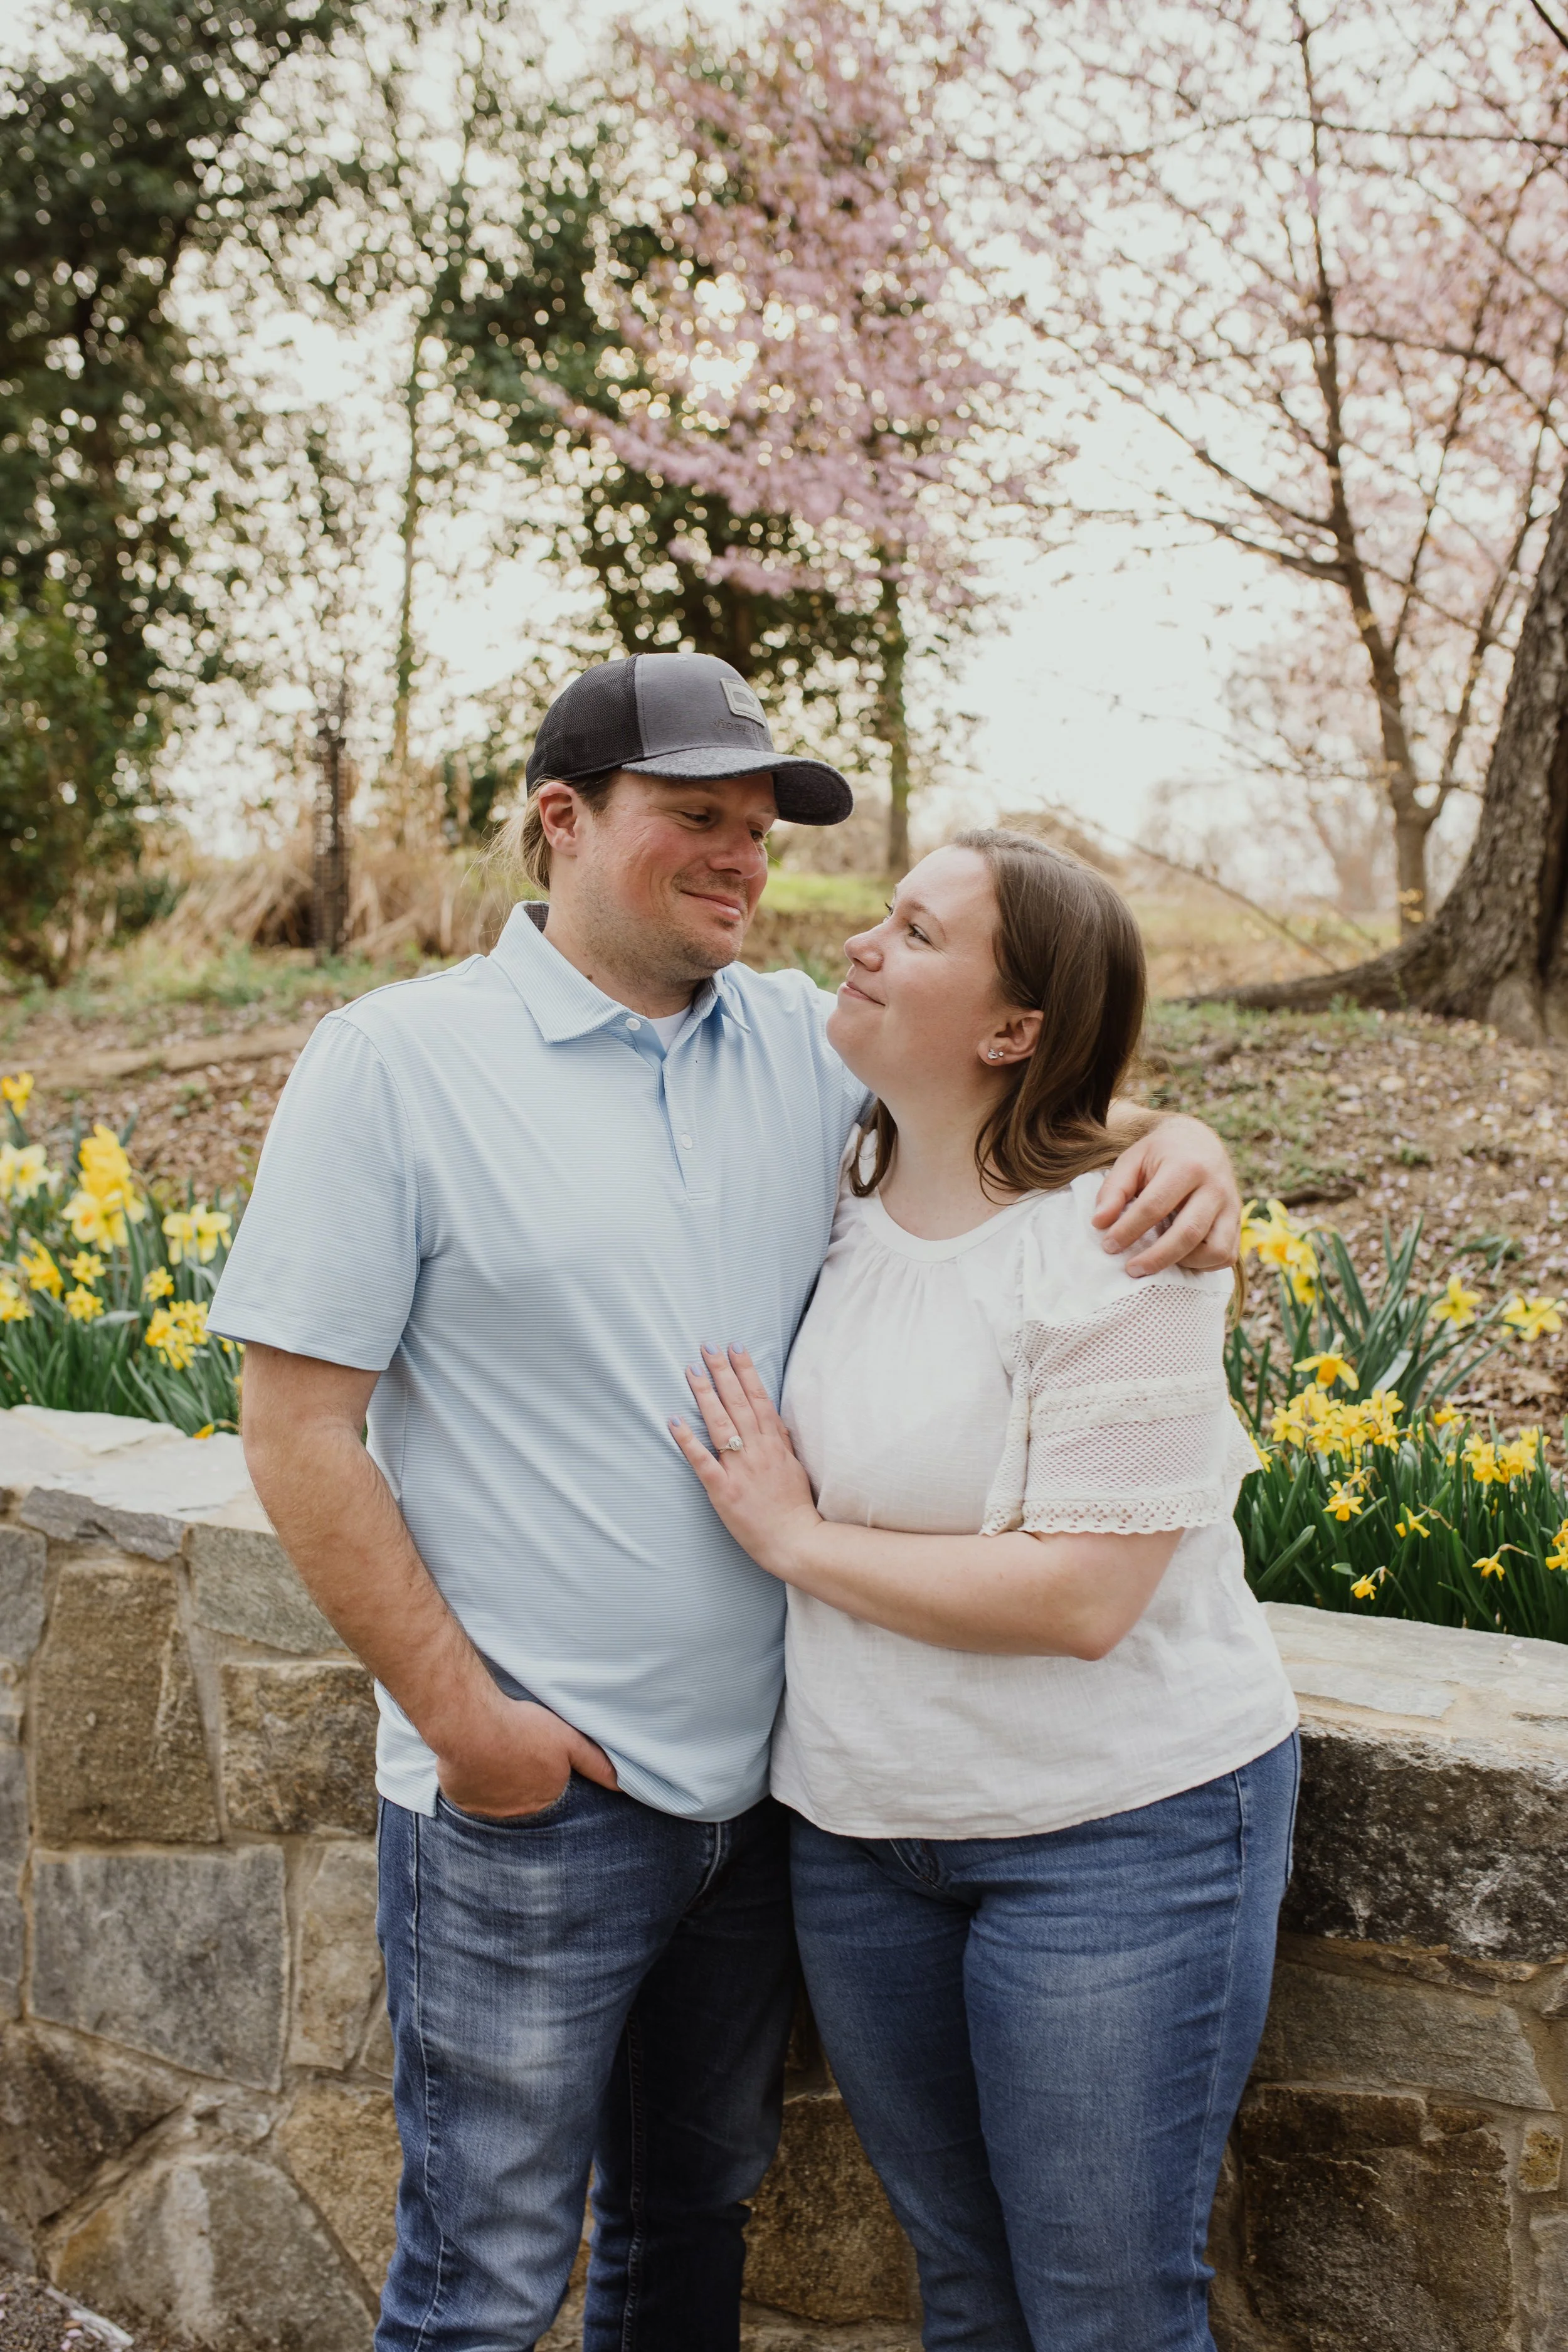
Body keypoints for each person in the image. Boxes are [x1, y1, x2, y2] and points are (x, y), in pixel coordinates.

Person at [212, 654, 1244, 2352]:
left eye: (757, 831)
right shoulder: (392, 1062)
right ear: (561, 818)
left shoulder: (797, 1037)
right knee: (478, 2275)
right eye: (694, 819)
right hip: (534, 1799)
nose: (742, 864)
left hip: (767, 1807)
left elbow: (1020, 1105)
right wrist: (473, 1729)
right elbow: (296, 1432)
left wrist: (1187, 1137)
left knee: (688, 2220)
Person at [671, 827, 1298, 2352]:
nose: (861, 944)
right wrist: (1177, 1121)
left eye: (916, 932)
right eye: (882, 917)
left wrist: (795, 1539)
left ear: (1013, 1028)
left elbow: (1082, 1599)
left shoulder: (1119, 1250)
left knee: (1104, 2312)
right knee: (961, 2291)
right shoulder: (844, 1166)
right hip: (862, 1833)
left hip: (1116, 1837)